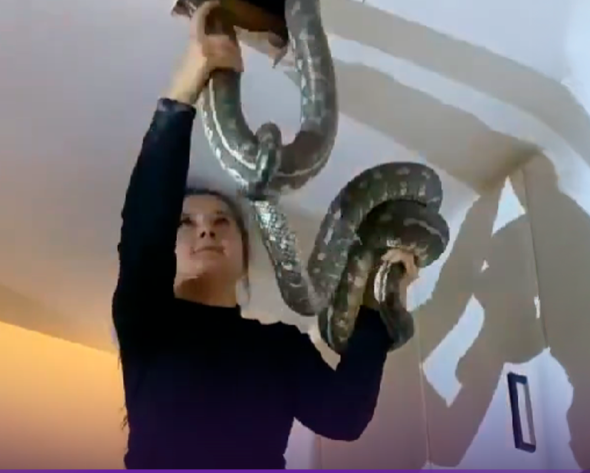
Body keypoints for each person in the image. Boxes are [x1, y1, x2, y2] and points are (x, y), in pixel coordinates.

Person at [112, 2, 420, 468]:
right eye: (186, 223)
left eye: (222, 221)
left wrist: (381, 297)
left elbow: (340, 413)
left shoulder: (279, 347)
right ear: (167, 251)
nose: (206, 228)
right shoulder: (147, 323)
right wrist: (383, 300)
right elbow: (143, 226)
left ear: (244, 254)